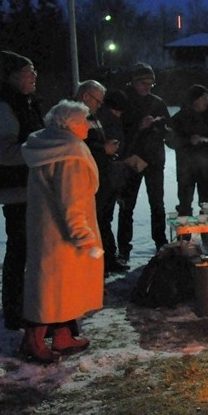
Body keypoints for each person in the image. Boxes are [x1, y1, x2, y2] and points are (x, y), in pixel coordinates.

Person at [20, 100, 104, 364]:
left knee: (59, 290)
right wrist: (84, 237)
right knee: (52, 291)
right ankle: (33, 340)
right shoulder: (70, 154)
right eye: (83, 121)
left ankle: (63, 334)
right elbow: (72, 201)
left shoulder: (47, 144)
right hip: (64, 236)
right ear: (69, 125)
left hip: (46, 230)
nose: (88, 125)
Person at [0, 50, 45, 330]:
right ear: (12, 77)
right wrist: (43, 149)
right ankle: (14, 310)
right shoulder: (3, 109)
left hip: (31, 188)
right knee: (19, 249)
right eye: (27, 72)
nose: (34, 77)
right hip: (16, 190)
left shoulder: (26, 103)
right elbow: (5, 154)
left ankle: (25, 304)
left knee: (30, 250)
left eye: (34, 71)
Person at [116, 62, 171, 263]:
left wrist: (162, 130)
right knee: (127, 205)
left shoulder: (157, 102)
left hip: (155, 160)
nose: (147, 87)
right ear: (134, 82)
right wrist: (139, 126)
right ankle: (123, 249)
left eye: (151, 83)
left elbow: (167, 128)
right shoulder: (125, 102)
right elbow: (119, 132)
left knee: (157, 203)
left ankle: (160, 243)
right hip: (131, 160)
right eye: (143, 82)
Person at [75, 80, 128, 275]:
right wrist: (102, 149)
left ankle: (108, 259)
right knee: (92, 223)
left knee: (103, 220)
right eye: (98, 100)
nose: (100, 105)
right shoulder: (73, 117)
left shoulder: (92, 116)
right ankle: (96, 264)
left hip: (102, 176)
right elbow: (75, 148)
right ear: (86, 96)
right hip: (86, 179)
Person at [166, 85, 208, 217]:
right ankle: (184, 236)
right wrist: (189, 140)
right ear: (194, 100)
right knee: (184, 204)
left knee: (207, 205)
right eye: (204, 98)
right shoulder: (179, 118)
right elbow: (169, 140)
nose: (207, 101)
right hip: (186, 169)